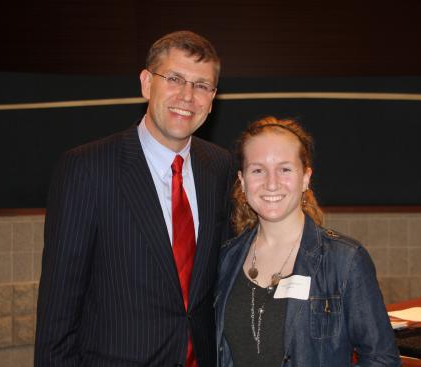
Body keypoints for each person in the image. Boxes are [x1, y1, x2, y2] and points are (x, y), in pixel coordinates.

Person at [35, 30, 233, 367]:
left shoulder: (220, 166)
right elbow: (58, 311)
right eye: (174, 79)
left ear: (212, 98)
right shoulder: (87, 168)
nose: (187, 96)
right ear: (146, 83)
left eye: (201, 85)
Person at [214, 116, 401, 366]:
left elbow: (382, 360)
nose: (271, 183)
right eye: (258, 170)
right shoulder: (226, 258)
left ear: (305, 177)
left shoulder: (344, 260)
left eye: (285, 169)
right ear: (243, 180)